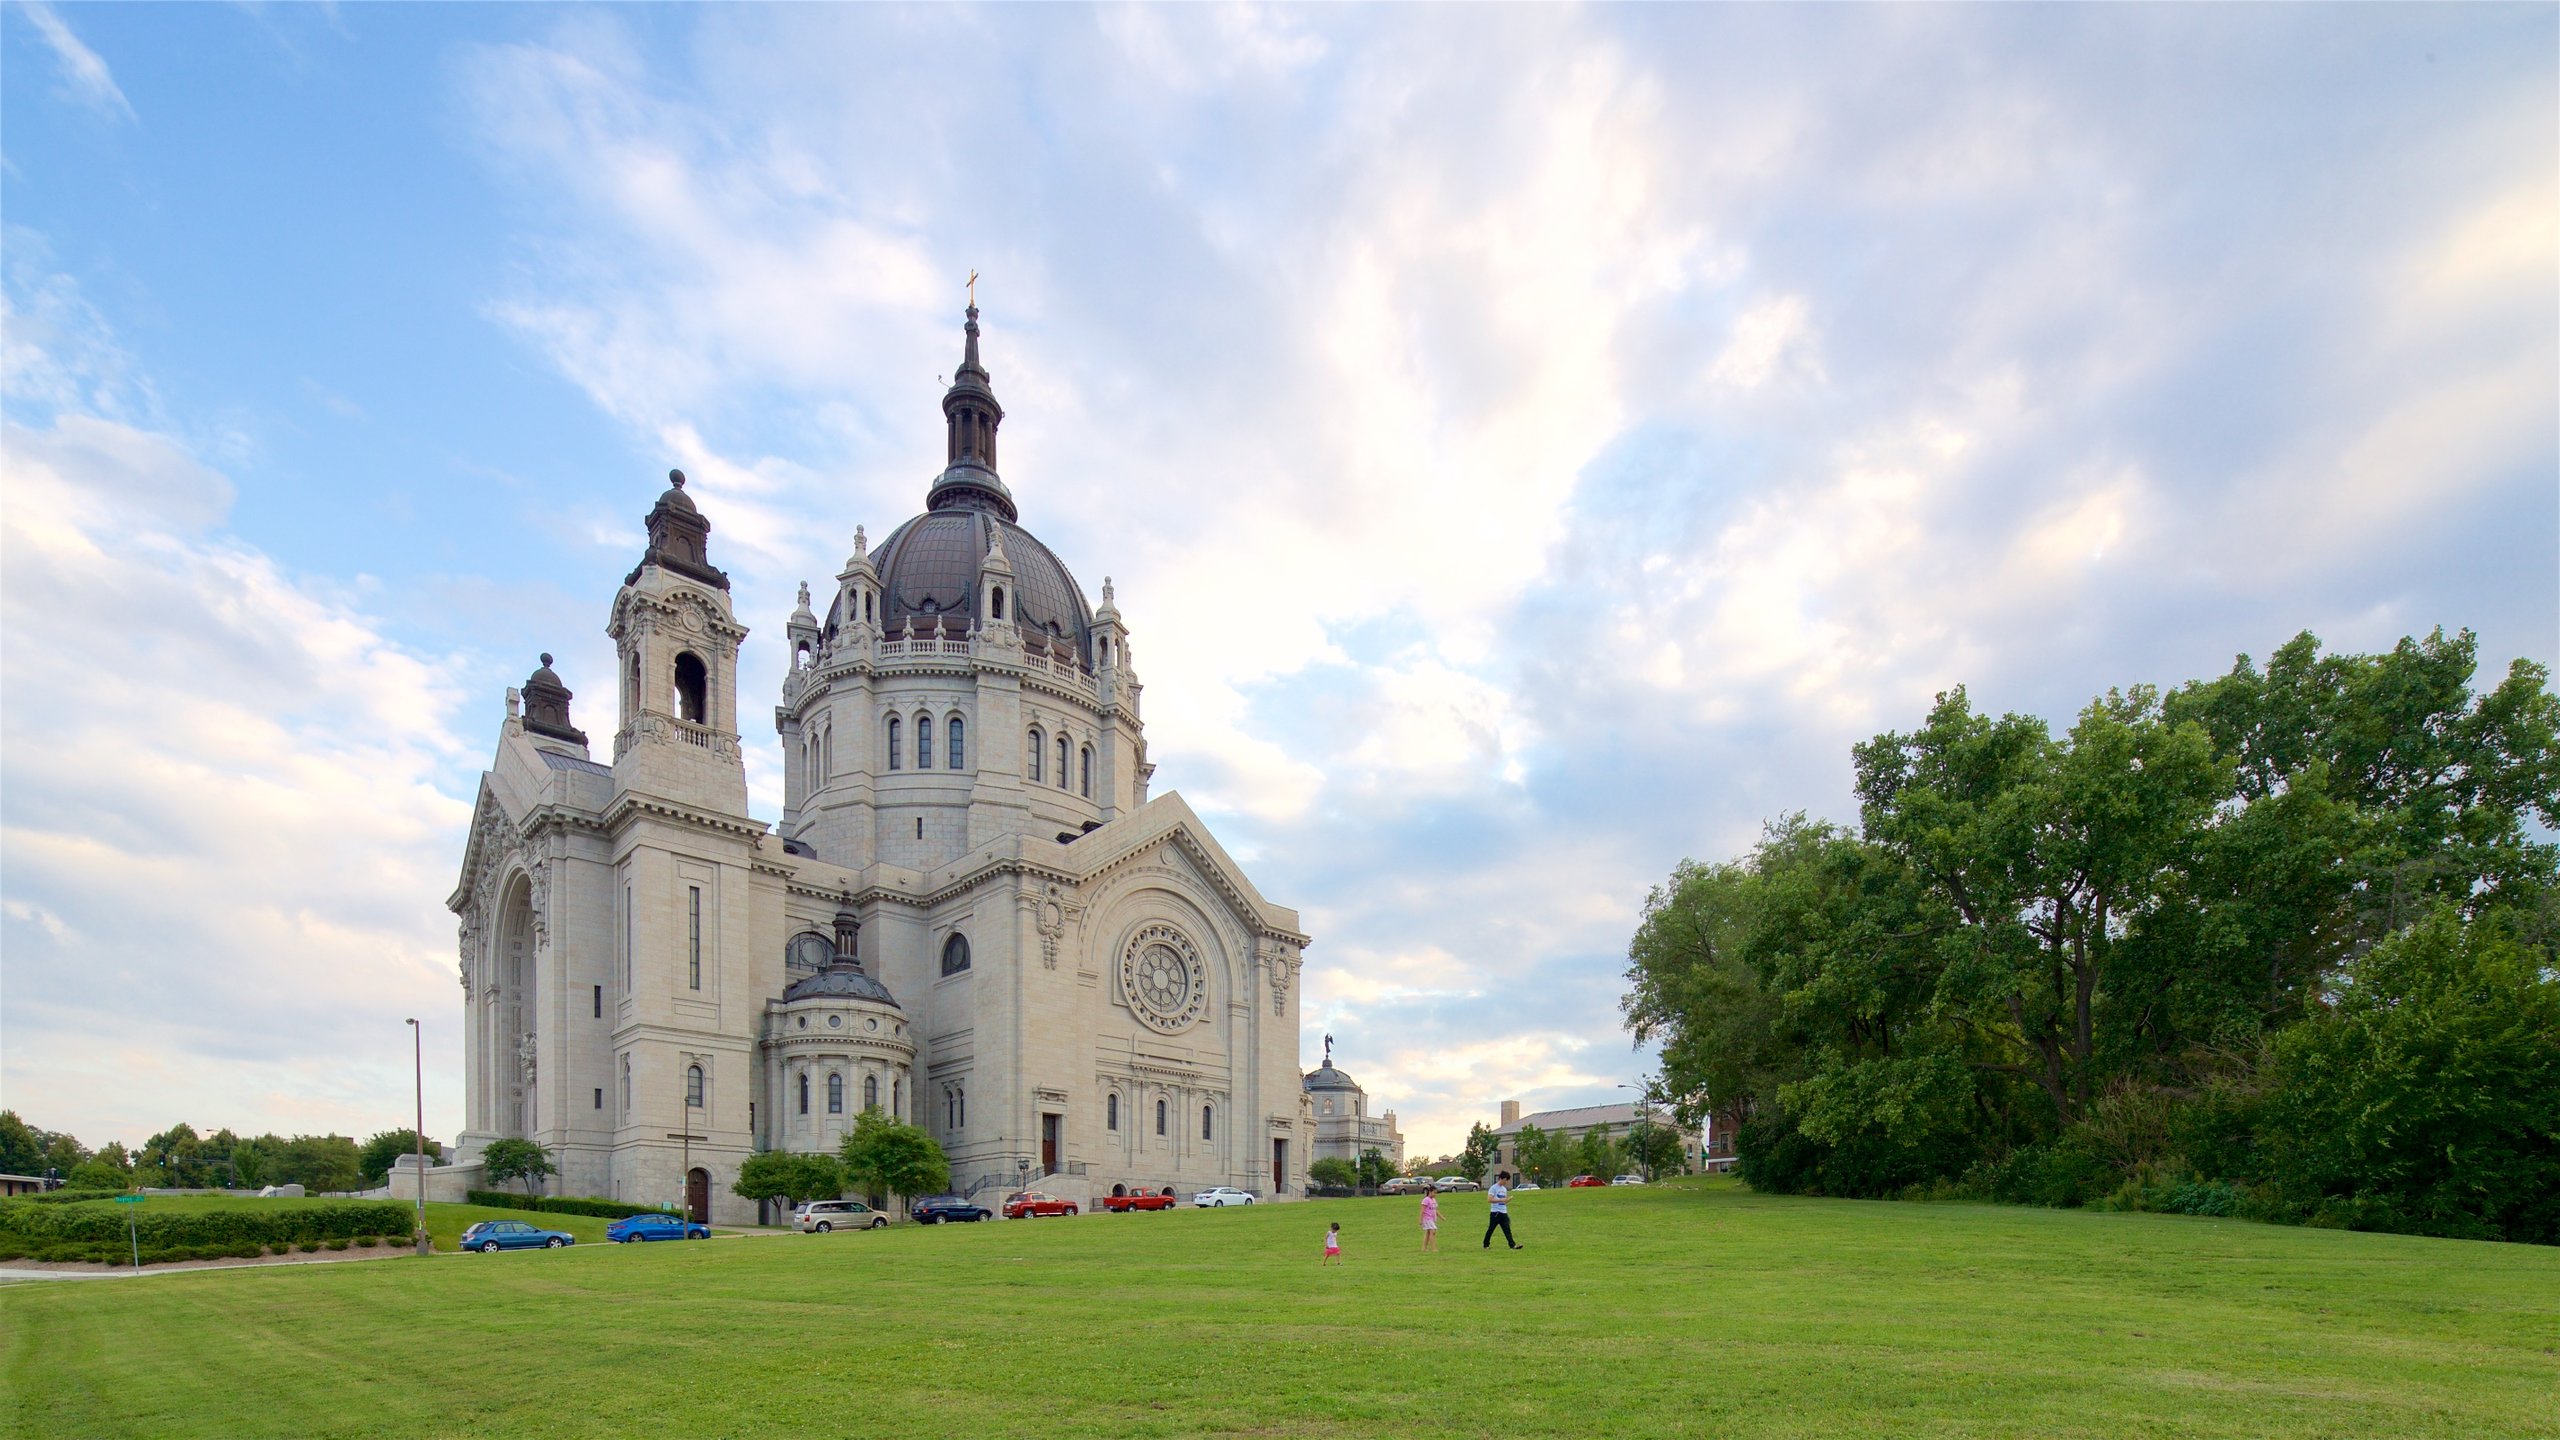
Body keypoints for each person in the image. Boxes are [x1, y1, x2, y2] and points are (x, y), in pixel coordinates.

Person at [1483, 1170, 1521, 1250]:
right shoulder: (1493, 1188)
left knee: (1507, 1229)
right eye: (1505, 1180)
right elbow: (1489, 1200)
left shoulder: (1504, 1189)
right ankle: (1486, 1244)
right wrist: (1501, 1200)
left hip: (1503, 1212)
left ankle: (1512, 1245)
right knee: (1491, 1229)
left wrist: (1507, 1200)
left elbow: (1504, 1201)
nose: (1506, 1182)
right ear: (1501, 1178)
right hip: (1495, 1213)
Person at [1420, 1184, 1440, 1252]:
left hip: (1432, 1219)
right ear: (1430, 1192)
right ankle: (1433, 1248)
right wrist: (1420, 1220)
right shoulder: (1426, 1200)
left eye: (1436, 1193)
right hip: (1427, 1219)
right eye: (1434, 1192)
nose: (1435, 1194)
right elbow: (1422, 1210)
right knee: (1433, 1231)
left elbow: (1435, 1210)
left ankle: (1424, 1248)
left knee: (1428, 1233)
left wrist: (1441, 1217)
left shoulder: (1434, 1200)